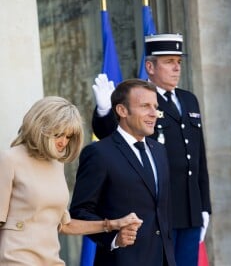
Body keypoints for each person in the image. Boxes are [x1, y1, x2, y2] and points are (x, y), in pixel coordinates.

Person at [91, 34, 212, 266]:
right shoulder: (138, 99)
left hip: (190, 209)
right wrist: (105, 112)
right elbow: (113, 138)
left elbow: (199, 158)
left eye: (179, 62)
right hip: (157, 211)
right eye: (168, 61)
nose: (176, 68)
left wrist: (204, 205)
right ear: (150, 66)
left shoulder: (189, 100)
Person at [0, 96, 142, 266]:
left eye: (68, 136)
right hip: (15, 260)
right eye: (59, 134)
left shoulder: (57, 164)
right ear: (39, 127)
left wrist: (113, 224)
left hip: (52, 260)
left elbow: (66, 225)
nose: (63, 142)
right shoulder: (9, 159)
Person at [70, 79, 176, 266]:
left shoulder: (160, 151)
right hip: (121, 260)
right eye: (145, 106)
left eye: (155, 106)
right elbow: (80, 212)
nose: (154, 113)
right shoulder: (99, 153)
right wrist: (114, 237)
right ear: (122, 111)